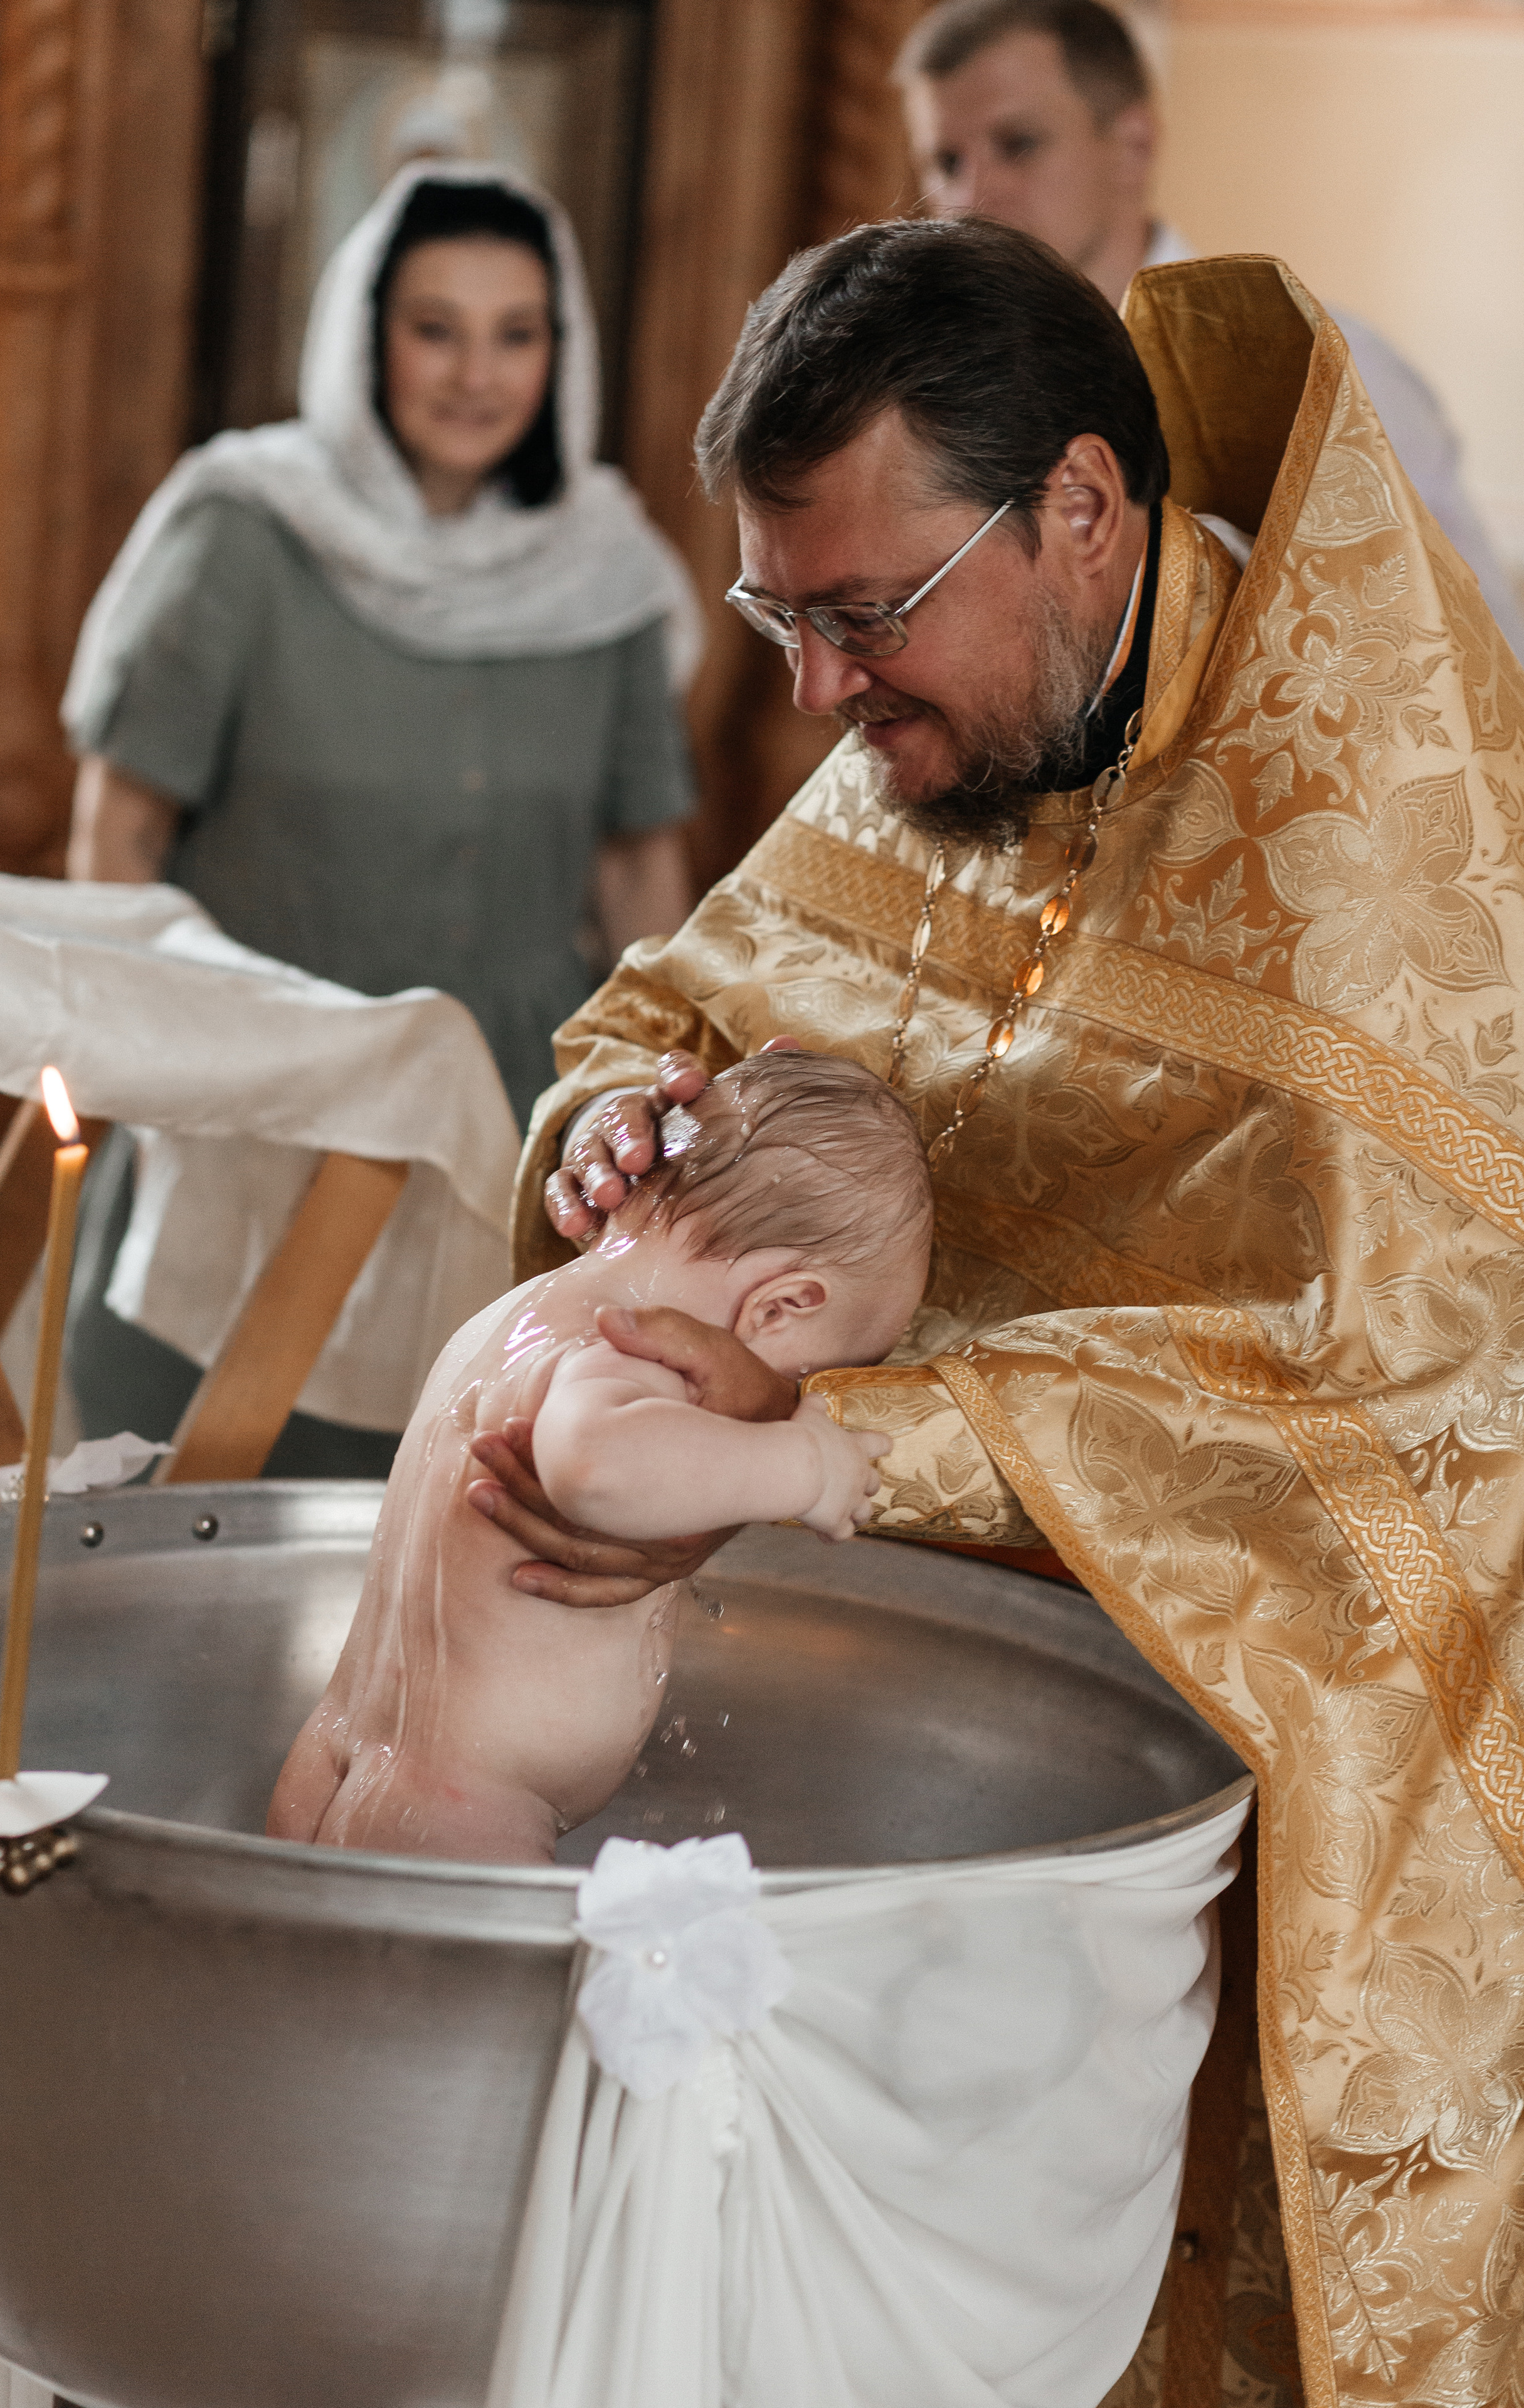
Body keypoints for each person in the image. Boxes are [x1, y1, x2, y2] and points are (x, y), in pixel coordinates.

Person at [469, 221, 1524, 2407]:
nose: (818, 701)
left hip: (1287, 1785)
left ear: (1079, 508)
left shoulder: (1390, 835)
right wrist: (602, 1130)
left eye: (858, 616)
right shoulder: (944, 723)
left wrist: (855, 1449)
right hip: (930, 1768)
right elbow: (681, 1009)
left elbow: (1400, 1412)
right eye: (783, 614)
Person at [60, 161, 700, 1476]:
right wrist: (137, 1059)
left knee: (468, 1511)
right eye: (434, 327)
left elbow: (641, 876)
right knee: (188, 1522)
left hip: (513, 1133)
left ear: (556, 355)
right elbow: (117, 837)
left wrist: (677, 1114)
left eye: (515, 333)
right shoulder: (243, 530)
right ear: (364, 336)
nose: (475, 373)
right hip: (255, 1109)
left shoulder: (610, 573)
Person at [267, 1051, 923, 1862]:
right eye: (804, 1375)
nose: (793, 1393)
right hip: (458, 1811)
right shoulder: (633, 1347)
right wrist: (808, 1465)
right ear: (783, 1307)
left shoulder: (522, 1316)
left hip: (337, 1753)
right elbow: (594, 1464)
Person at [894, 0, 1524, 657]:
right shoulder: (949, 390)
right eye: (945, 162)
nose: (969, 198)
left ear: (1132, 147)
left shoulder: (1307, 366)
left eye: (1017, 145)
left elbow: (1471, 662)